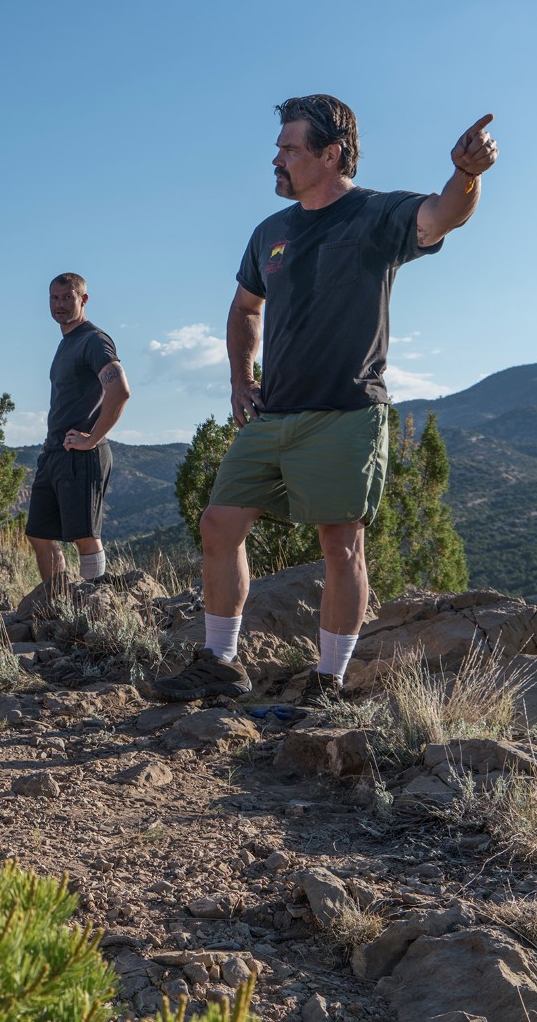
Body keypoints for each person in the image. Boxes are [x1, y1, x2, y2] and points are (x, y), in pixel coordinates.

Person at [154, 94, 497, 706]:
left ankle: (328, 679)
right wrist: (240, 377)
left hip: (346, 412)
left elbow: (444, 214)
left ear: (330, 153)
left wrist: (466, 175)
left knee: (341, 546)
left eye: (289, 148)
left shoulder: (376, 215)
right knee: (218, 524)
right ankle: (218, 661)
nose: (276, 159)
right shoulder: (271, 232)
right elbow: (243, 308)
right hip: (272, 414)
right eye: (279, 148)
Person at [25, 274, 129, 585]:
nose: (59, 304)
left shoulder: (94, 340)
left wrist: (92, 438)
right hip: (55, 452)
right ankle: (56, 604)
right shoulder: (66, 343)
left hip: (82, 454)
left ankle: (93, 605)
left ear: (83, 300)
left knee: (85, 536)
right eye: (54, 298)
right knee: (39, 534)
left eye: (67, 298)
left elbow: (120, 390)